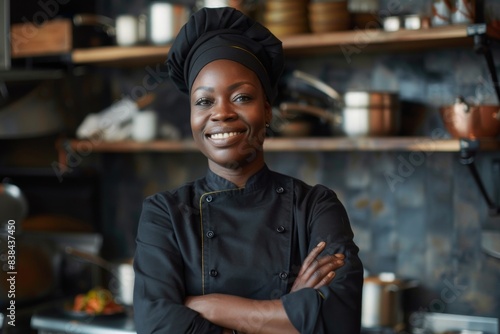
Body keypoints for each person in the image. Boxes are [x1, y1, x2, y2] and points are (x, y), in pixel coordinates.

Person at [133, 6, 363, 334]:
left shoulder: (315, 207)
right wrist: (288, 315)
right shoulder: (165, 214)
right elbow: (156, 325)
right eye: (204, 101)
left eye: (241, 97)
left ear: (267, 111)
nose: (221, 113)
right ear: (191, 116)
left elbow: (338, 319)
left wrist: (209, 306)